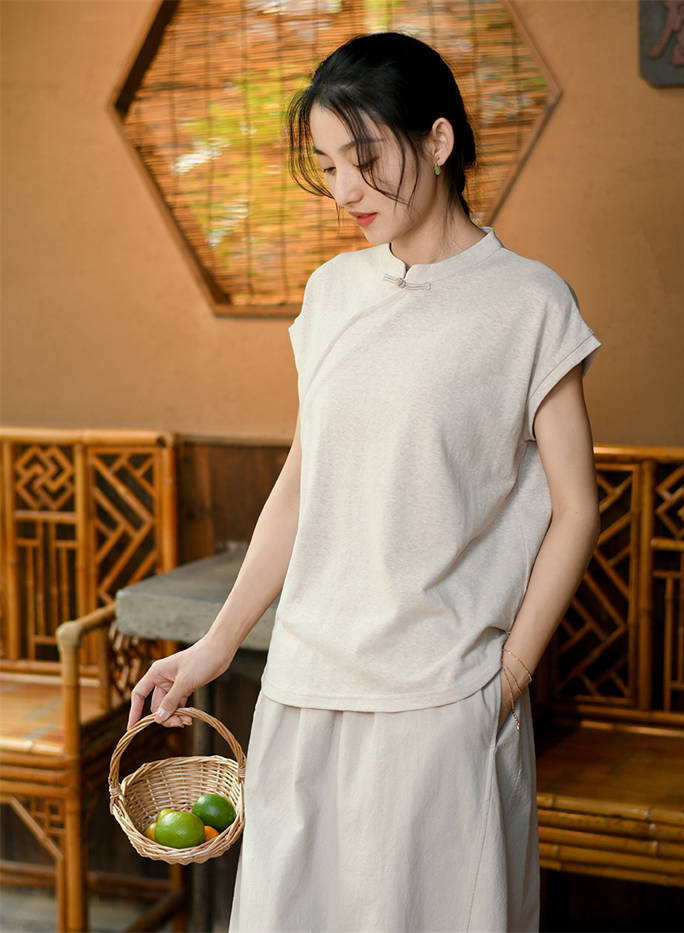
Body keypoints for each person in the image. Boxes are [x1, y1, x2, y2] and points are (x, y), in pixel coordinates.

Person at [128, 31, 602, 932]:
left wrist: (507, 680)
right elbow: (301, 484)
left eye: (365, 157)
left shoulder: (531, 303)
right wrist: (217, 646)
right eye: (328, 166)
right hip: (305, 686)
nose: (345, 189)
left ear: (437, 140)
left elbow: (577, 506)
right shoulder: (332, 293)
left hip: (443, 701)